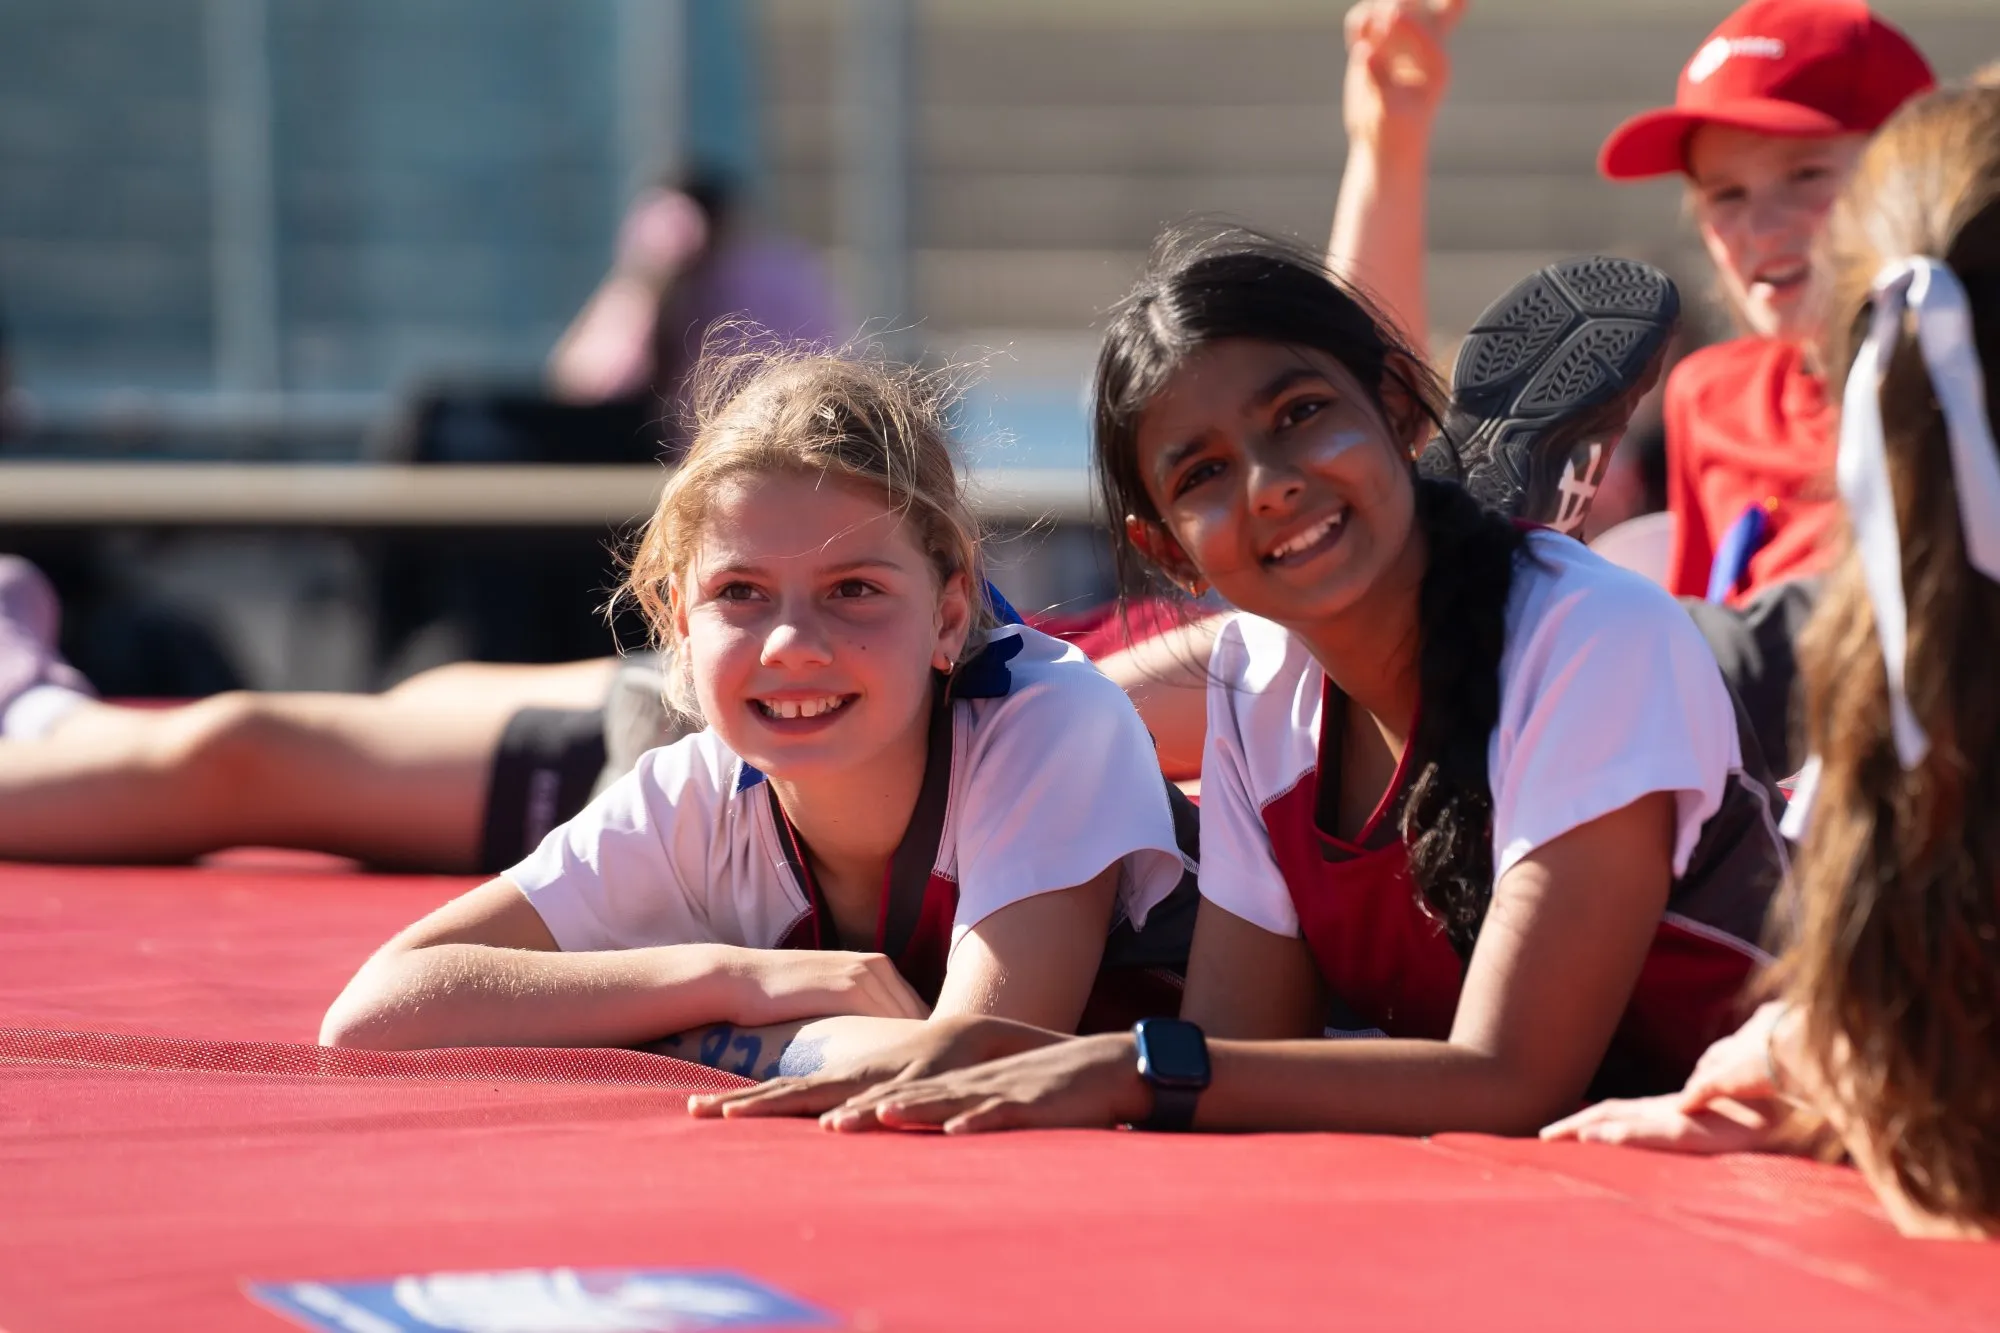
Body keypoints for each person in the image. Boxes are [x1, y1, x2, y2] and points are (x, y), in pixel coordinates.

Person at [685, 224, 1789, 1134]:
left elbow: (1510, 1079)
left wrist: (1121, 1067)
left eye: (1300, 414)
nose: (1265, 485)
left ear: (1401, 412)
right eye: (1202, 472)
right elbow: (1232, 1055)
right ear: (1164, 548)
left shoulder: (1590, 640)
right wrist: (992, 1049)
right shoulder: (1255, 680)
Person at [317, 349, 1191, 1071]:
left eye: (854, 589)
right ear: (676, 627)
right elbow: (374, 1010)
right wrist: (735, 980)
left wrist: (679, 1035)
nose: (790, 645)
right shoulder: (699, 790)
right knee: (246, 749)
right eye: (741, 591)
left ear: (949, 614)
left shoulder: (1050, 726)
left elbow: (969, 1067)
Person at [1545, 81, 2000, 1242]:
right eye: (1726, 194)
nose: (1761, 223)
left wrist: (1806, 1056)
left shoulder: (1871, 645)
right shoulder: (1876, 642)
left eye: (1809, 177)